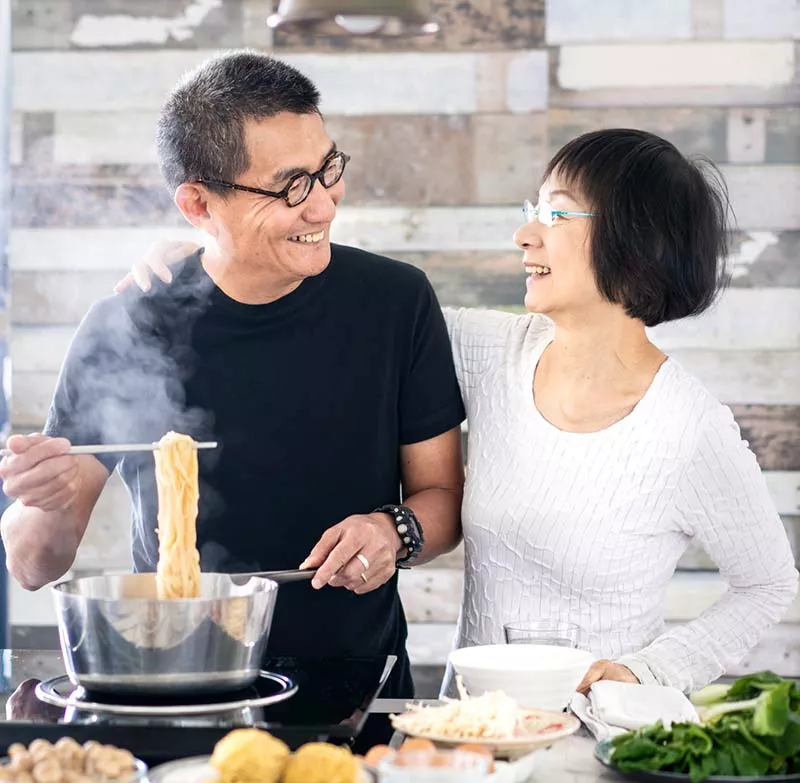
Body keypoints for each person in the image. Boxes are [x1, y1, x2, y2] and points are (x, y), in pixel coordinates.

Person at [122, 128, 799, 696]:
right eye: (532, 209)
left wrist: (645, 673)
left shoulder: (689, 428)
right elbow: (363, 315)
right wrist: (214, 256)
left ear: (638, 242)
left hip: (597, 744)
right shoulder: (489, 352)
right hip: (469, 737)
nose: (524, 235)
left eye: (556, 215)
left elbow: (768, 585)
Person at [0, 51, 467, 705]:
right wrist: (43, 502)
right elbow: (31, 563)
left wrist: (393, 531)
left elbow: (443, 498)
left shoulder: (395, 301)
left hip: (355, 683)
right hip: (175, 675)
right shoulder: (131, 323)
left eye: (329, 170)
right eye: (290, 187)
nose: (323, 207)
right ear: (197, 203)